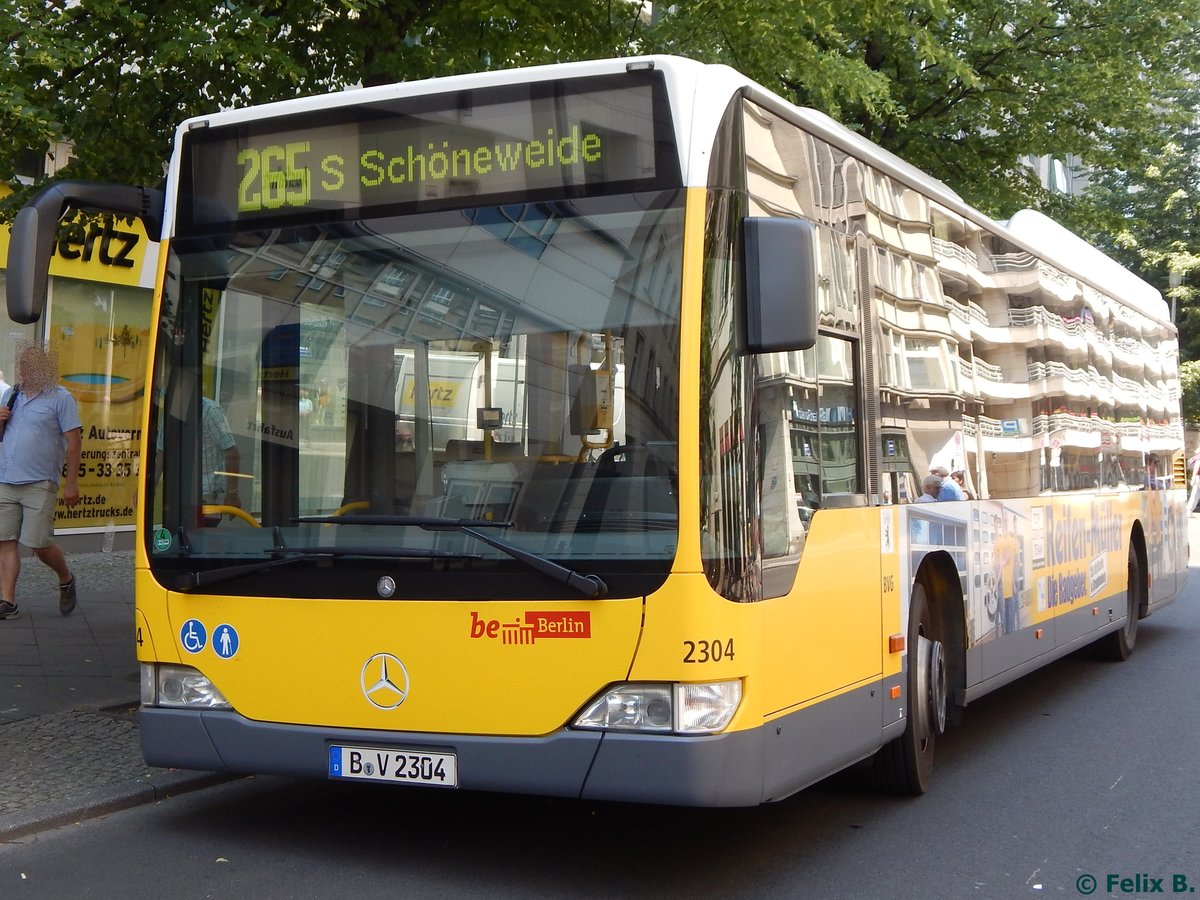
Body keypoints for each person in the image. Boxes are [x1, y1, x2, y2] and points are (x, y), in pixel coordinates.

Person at [0, 345, 82, 619]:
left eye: (30, 365)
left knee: (38, 544)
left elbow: (73, 444)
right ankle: (8, 602)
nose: (24, 370)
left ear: (44, 368)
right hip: (6, 479)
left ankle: (65, 577)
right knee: (5, 540)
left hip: (40, 481)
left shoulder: (61, 398)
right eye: (22, 364)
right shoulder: (11, 395)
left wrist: (71, 484)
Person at [201, 397, 241, 508]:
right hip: (178, 493)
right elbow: (161, 451)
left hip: (205, 495)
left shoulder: (210, 410)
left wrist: (232, 494)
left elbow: (231, 453)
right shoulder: (171, 408)